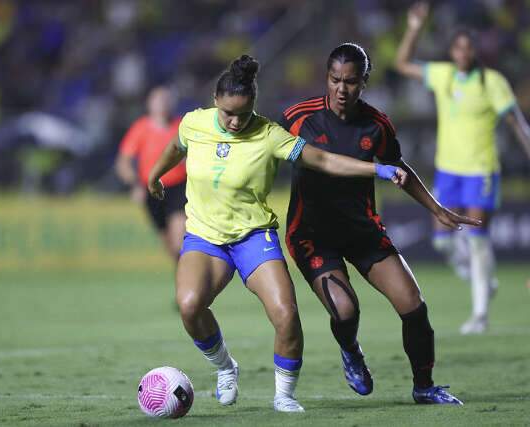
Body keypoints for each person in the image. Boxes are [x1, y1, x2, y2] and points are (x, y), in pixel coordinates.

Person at [147, 55, 407, 412]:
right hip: (205, 237)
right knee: (190, 307)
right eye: (227, 113)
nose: (235, 121)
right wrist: (154, 176)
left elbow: (325, 160)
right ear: (215, 101)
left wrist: (377, 169)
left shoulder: (270, 136)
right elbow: (176, 147)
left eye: (243, 113)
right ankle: (226, 368)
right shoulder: (194, 123)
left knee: (286, 314)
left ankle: (284, 395)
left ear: (254, 103)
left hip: (254, 237)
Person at [280, 43, 481, 405]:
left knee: (413, 304)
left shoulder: (377, 125)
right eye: (335, 80)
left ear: (364, 82)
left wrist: (436, 209)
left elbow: (400, 169)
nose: (342, 90)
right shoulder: (297, 117)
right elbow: (261, 151)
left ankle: (424, 387)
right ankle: (351, 349)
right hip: (311, 235)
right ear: (326, 78)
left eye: (351, 82)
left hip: (362, 231)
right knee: (346, 309)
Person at [394, 2, 530, 334]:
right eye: (458, 48)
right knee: (443, 241)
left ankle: (480, 314)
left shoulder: (491, 82)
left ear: (475, 51)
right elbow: (401, 63)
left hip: (481, 170)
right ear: (453, 51)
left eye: (468, 48)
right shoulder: (443, 75)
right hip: (448, 171)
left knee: (478, 240)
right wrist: (413, 27)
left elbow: (516, 121)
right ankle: (480, 279)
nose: (463, 53)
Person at [115, 86, 186, 262]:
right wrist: (134, 185)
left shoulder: (181, 126)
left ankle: (188, 275)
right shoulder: (140, 129)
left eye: (165, 100)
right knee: (168, 243)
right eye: (158, 100)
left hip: (179, 187)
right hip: (152, 189)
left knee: (179, 241)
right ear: (149, 104)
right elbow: (123, 162)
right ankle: (182, 273)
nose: (162, 104)